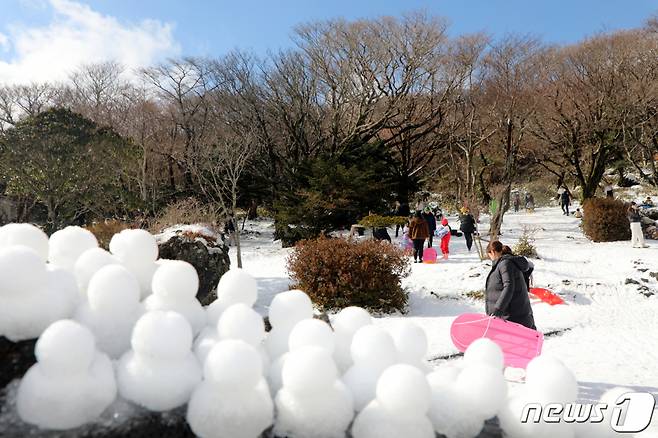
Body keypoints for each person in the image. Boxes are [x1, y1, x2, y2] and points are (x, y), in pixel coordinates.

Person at [485, 241, 536, 330]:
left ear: (492, 252)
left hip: (512, 316)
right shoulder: (504, 264)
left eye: (489, 255)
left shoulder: (505, 264)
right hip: (510, 315)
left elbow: (509, 286)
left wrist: (498, 309)